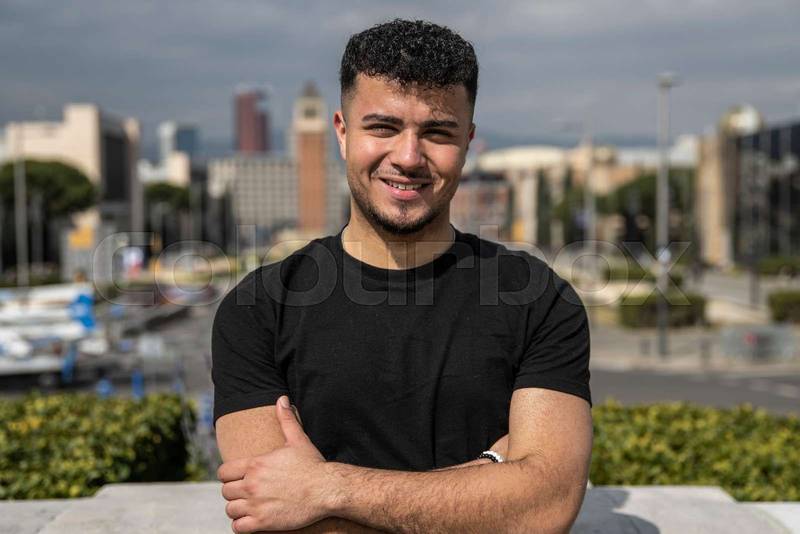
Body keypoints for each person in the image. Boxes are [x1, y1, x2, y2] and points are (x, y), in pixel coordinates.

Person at [213, 19, 592, 533]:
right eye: (383, 128)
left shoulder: (540, 300)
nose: (409, 157)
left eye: (437, 132)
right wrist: (493, 477)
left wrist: (327, 488)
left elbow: (545, 508)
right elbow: (273, 516)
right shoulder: (256, 310)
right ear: (343, 134)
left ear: (468, 141)